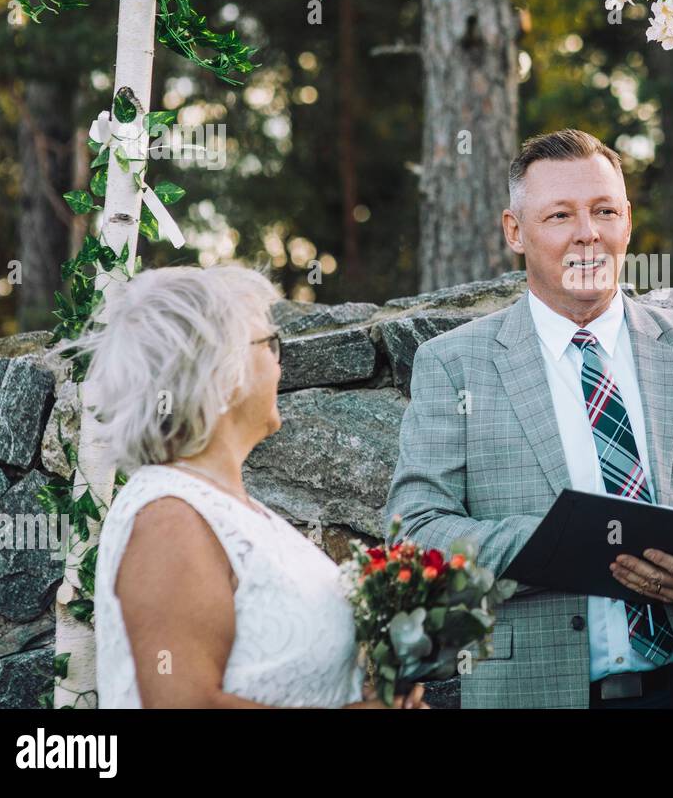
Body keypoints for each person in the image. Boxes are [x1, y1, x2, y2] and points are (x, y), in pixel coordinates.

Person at [388, 128, 673, 708]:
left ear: (627, 220)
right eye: (559, 216)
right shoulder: (454, 365)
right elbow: (416, 528)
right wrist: (556, 544)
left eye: (604, 211)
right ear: (514, 232)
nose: (587, 234)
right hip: (532, 695)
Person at [74, 264, 425, 709]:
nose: (280, 364)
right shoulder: (168, 520)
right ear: (220, 369)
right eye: (268, 344)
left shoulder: (235, 510)